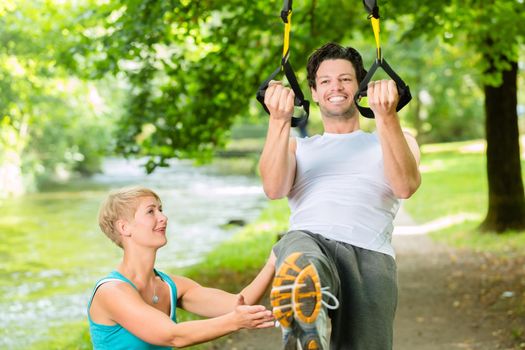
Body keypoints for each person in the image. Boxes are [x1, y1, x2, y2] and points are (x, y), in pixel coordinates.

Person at [259, 42, 421, 350]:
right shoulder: (297, 147)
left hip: (371, 257)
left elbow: (405, 186)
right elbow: (274, 188)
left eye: (345, 79)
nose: (336, 86)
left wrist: (386, 116)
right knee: (299, 254)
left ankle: (310, 322)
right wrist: (278, 120)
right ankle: (306, 306)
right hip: (310, 241)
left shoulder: (395, 139)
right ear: (314, 92)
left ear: (361, 87)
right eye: (325, 81)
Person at [87, 186, 276, 349]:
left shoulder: (171, 286)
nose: (163, 217)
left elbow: (239, 305)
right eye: (151, 211)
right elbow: (173, 336)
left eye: (161, 209)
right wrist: (234, 321)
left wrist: (272, 264)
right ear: (124, 228)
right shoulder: (111, 292)